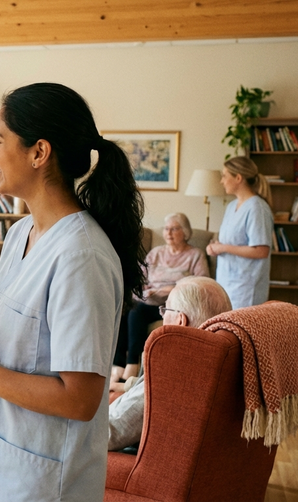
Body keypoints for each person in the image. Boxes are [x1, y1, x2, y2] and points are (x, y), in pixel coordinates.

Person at [0, 82, 145, 501]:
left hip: (42, 482)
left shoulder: (82, 256)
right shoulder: (20, 233)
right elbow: (24, 342)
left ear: (39, 152)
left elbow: (80, 398)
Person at [108, 276, 232, 450]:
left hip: (128, 457)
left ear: (180, 320)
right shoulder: (222, 357)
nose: (163, 315)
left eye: (165, 309)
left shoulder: (173, 371)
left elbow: (108, 434)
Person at [111, 212, 209, 385]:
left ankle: (132, 365)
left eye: (174, 229)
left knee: (136, 312)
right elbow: (139, 278)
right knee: (124, 307)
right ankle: (118, 364)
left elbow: (202, 283)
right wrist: (143, 289)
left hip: (174, 303)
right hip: (148, 299)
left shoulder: (195, 255)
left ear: (185, 232)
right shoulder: (156, 253)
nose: (168, 233)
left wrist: (169, 290)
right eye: (166, 229)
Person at [206, 156, 274, 309]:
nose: (221, 181)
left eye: (224, 176)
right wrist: (216, 247)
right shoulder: (231, 206)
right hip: (226, 283)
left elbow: (261, 250)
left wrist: (223, 248)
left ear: (238, 178)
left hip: (246, 288)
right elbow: (232, 241)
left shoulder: (257, 208)